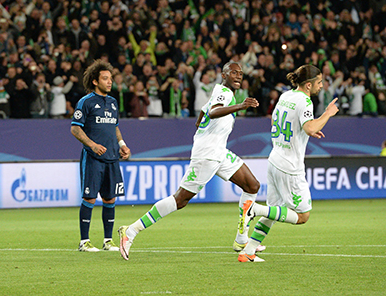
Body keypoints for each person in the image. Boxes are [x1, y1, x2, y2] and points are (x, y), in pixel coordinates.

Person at [118, 62, 262, 261]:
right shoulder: (225, 93)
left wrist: (203, 130)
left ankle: (241, 239)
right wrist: (241, 106)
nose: (238, 76)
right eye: (234, 73)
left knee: (252, 185)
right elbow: (213, 112)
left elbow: (203, 113)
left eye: (241, 73)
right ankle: (131, 231)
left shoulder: (219, 91)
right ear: (224, 74)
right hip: (208, 154)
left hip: (218, 151)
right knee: (181, 199)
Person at [237, 64, 339, 262]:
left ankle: (248, 251)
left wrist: (304, 130)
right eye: (319, 82)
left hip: (275, 158)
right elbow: (309, 127)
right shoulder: (305, 102)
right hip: (290, 166)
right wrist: (327, 114)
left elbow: (284, 122)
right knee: (302, 216)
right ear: (308, 85)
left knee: (274, 210)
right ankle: (253, 209)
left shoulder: (286, 96)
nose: (321, 86)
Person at [70, 60, 131, 252]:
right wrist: (93, 145)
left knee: (110, 199)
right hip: (93, 158)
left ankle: (108, 241)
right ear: (95, 81)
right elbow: (75, 129)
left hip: (112, 157)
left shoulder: (112, 103)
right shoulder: (85, 102)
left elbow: (114, 126)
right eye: (105, 78)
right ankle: (84, 241)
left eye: (111, 79)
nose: (109, 82)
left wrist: (122, 144)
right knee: (89, 198)